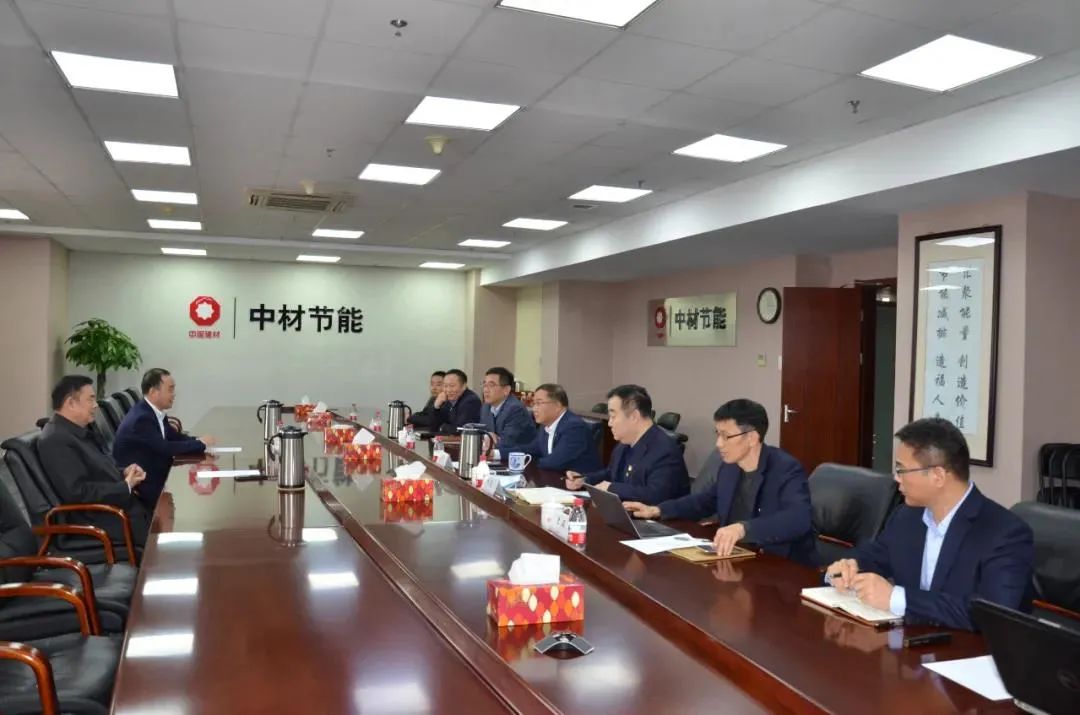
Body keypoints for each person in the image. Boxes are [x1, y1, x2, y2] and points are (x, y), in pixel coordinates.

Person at [827, 418, 1034, 631]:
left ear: (937, 476)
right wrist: (846, 568)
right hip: (911, 642)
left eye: (901, 470)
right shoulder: (906, 517)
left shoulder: (1005, 533)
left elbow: (992, 616)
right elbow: (872, 557)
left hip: (968, 649)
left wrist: (896, 598)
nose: (896, 478)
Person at [623, 399, 815, 564]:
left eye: (726, 436)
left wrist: (743, 529)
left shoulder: (786, 469)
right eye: (718, 434)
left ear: (752, 438)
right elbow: (706, 501)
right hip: (734, 558)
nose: (719, 444)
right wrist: (658, 510)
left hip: (778, 567)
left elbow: (798, 519)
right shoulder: (730, 467)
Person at [37, 375, 150, 548]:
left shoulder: (75, 431)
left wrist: (124, 473)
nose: (96, 405)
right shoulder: (55, 439)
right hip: (101, 519)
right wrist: (125, 486)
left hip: (117, 507)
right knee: (165, 542)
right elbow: (78, 492)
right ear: (71, 403)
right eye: (90, 399)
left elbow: (97, 470)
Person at [565, 384, 688, 503]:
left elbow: (655, 495)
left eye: (613, 416)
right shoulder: (624, 443)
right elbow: (611, 473)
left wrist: (612, 488)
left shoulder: (665, 451)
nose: (609, 423)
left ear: (634, 416)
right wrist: (584, 480)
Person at [113, 368, 214, 507]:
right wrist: (200, 444)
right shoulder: (142, 419)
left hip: (157, 471)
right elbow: (165, 448)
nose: (174, 394)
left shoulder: (153, 412)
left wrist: (198, 440)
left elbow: (174, 437)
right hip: (144, 484)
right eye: (170, 389)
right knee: (192, 495)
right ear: (153, 392)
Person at [506, 383, 603, 473]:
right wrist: (499, 453)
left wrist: (529, 462)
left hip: (580, 483)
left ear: (557, 406)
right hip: (554, 478)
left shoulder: (574, 427)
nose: (534, 409)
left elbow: (555, 462)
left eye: (539, 403)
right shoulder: (546, 424)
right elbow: (531, 449)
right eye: (533, 403)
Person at [479, 367, 536, 450]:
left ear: (506, 390)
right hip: (494, 455)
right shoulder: (486, 407)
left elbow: (506, 443)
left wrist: (488, 439)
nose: (485, 390)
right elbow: (481, 434)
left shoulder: (516, 410)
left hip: (520, 456)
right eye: (484, 385)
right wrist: (487, 437)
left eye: (491, 385)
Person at [430, 369, 482, 435]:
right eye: (445, 386)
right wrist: (436, 406)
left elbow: (461, 430)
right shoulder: (448, 400)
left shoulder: (471, 401)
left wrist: (442, 427)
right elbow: (433, 427)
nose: (448, 390)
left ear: (464, 386)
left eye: (452, 386)